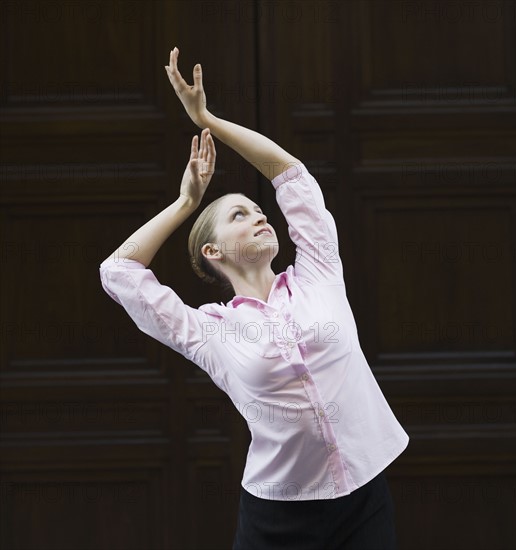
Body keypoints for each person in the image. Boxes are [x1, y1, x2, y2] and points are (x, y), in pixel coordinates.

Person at [99, 47, 409, 550]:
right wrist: (186, 203)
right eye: (239, 215)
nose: (259, 216)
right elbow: (118, 272)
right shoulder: (208, 331)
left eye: (257, 210)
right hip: (278, 516)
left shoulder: (318, 275)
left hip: (364, 492)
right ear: (212, 251)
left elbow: (290, 176)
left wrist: (207, 119)